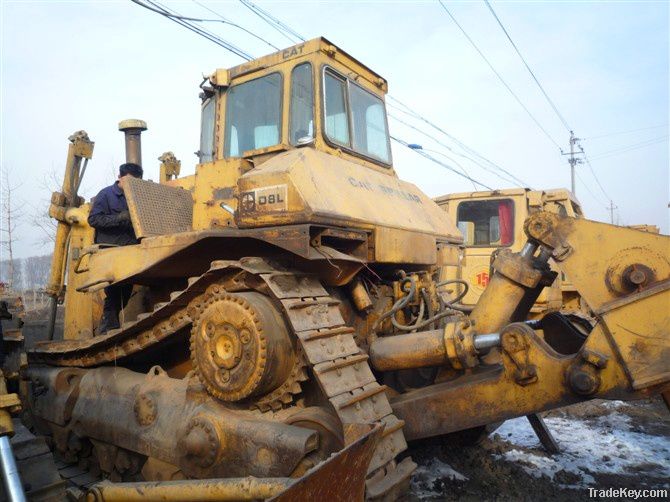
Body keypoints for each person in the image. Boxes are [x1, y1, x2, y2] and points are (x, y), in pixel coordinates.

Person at [87, 162, 143, 334]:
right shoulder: (105, 195)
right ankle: (106, 330)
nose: (133, 185)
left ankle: (111, 327)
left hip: (129, 251)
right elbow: (93, 220)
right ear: (121, 178)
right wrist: (120, 218)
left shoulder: (137, 196)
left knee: (125, 293)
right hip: (110, 251)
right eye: (131, 181)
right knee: (113, 293)